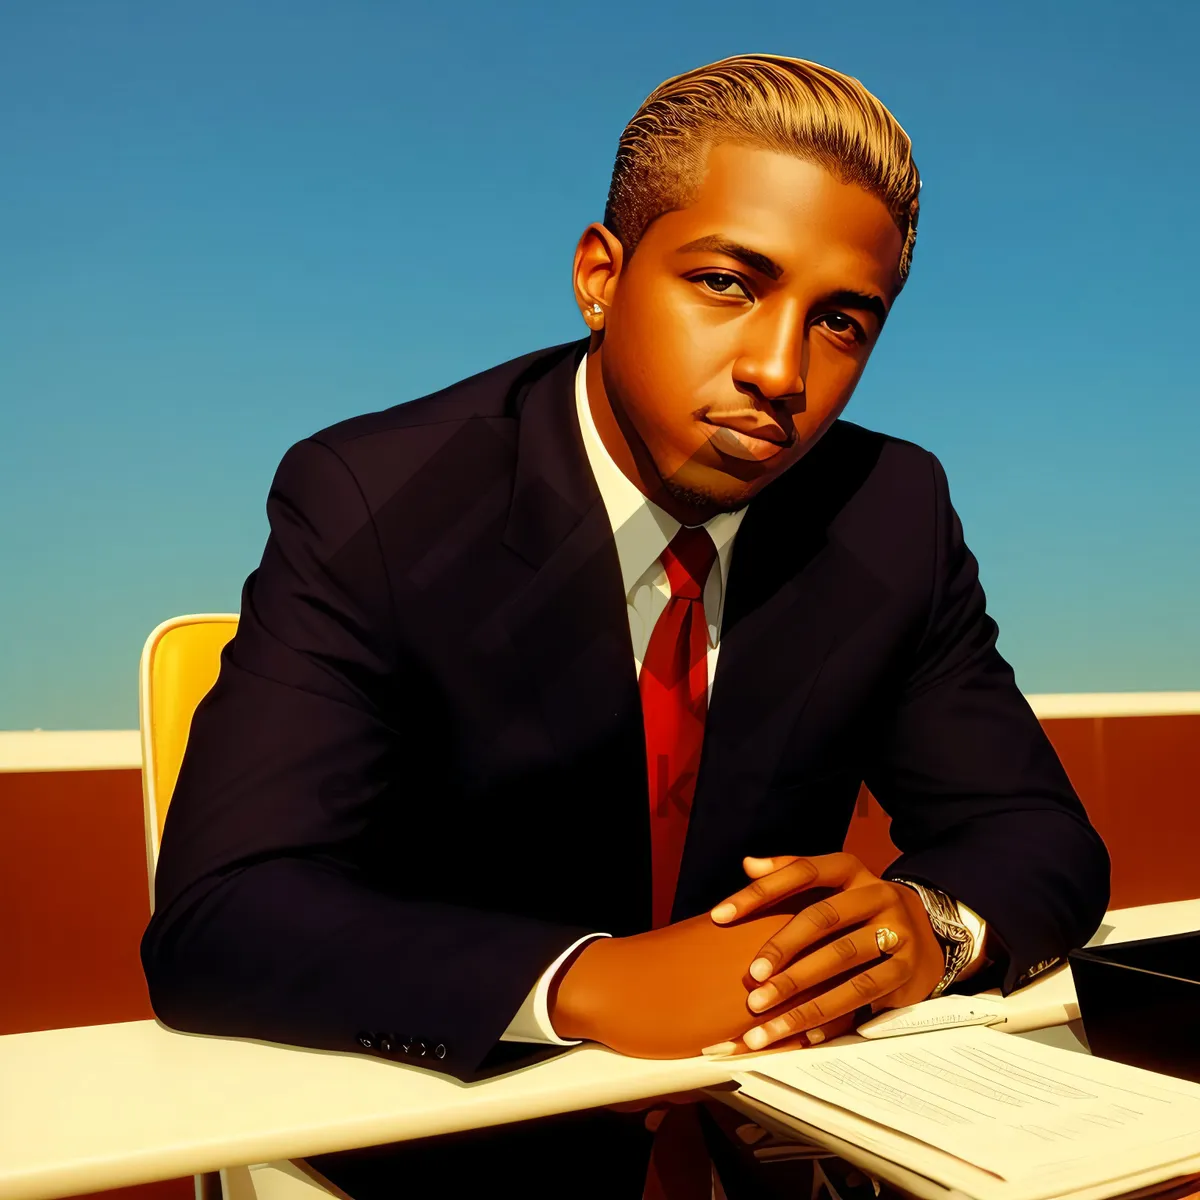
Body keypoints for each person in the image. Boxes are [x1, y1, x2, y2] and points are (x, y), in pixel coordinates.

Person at [140, 53, 1110, 1199]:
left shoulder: (891, 511)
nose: (777, 370)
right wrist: (588, 980)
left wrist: (920, 929)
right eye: (728, 284)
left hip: (781, 1142)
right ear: (601, 275)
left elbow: (1040, 839)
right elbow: (223, 912)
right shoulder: (376, 498)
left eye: (842, 320)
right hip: (464, 1152)